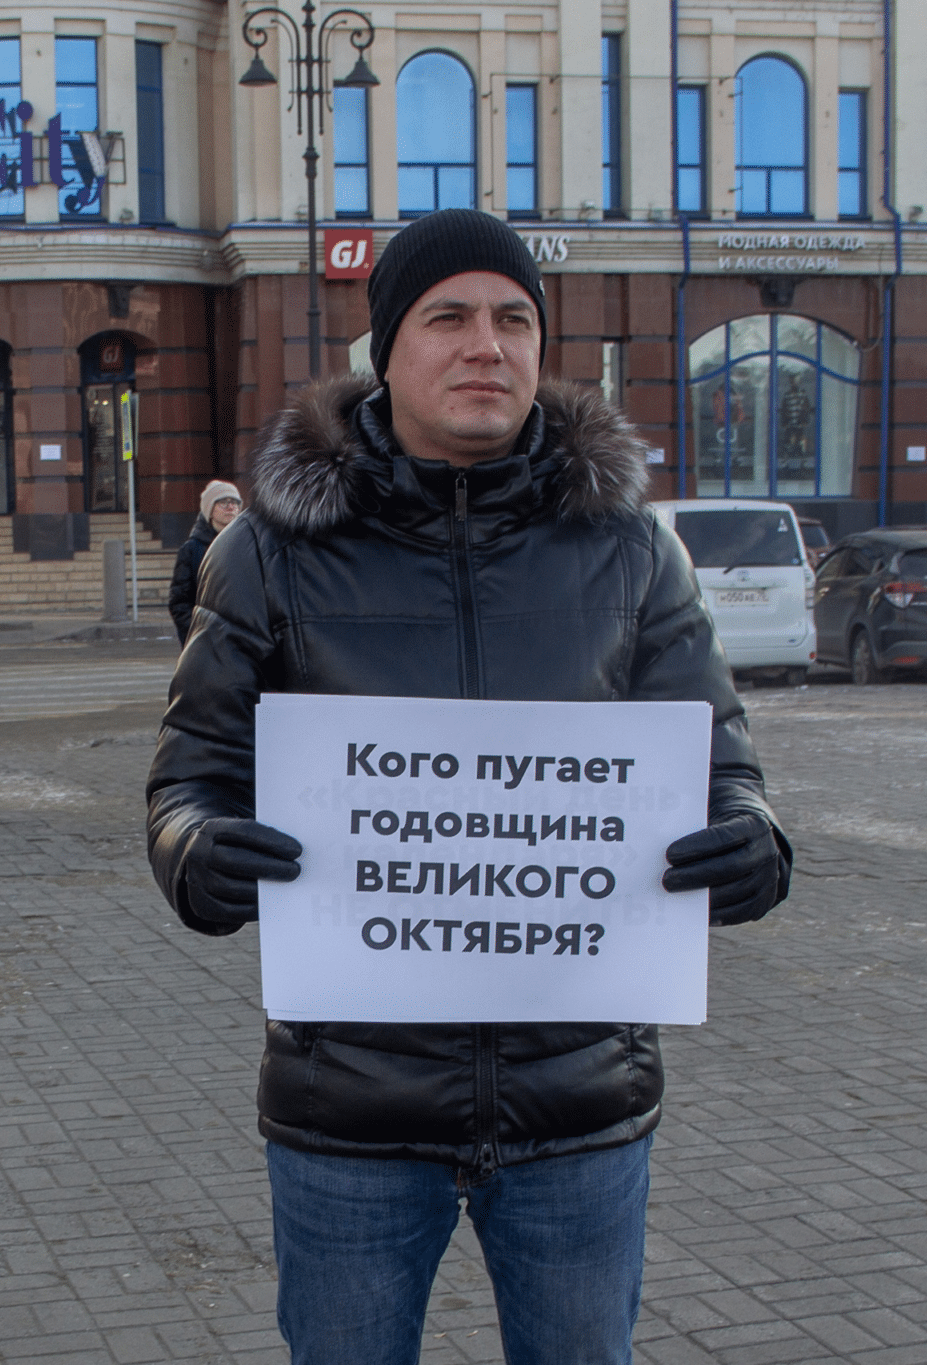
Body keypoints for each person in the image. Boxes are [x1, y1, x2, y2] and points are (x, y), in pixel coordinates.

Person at [146, 209, 793, 1365]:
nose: (483, 345)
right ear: (385, 350)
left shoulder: (630, 549)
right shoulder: (275, 549)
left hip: (578, 1107)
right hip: (348, 1111)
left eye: (511, 319)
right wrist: (197, 849)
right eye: (446, 317)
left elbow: (720, 767)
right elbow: (187, 778)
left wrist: (749, 841)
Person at [168, 480, 242, 645]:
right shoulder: (192, 550)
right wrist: (197, 635)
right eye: (223, 502)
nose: (230, 507)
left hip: (243, 642)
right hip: (206, 641)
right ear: (209, 509)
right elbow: (180, 601)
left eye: (235, 502)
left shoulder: (249, 546)